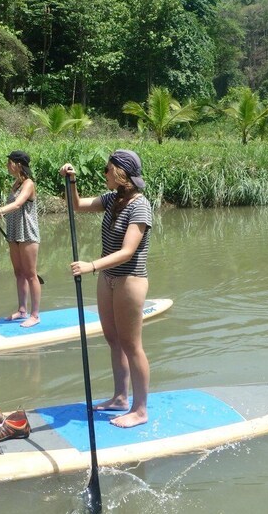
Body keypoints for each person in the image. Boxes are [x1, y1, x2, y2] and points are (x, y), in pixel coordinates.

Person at [59, 150, 152, 428]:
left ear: (121, 173)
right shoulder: (113, 199)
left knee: (132, 345)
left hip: (130, 279)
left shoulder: (140, 206)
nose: (105, 174)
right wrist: (71, 182)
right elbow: (77, 206)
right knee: (113, 340)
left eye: (107, 169)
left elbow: (127, 251)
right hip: (108, 278)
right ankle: (120, 398)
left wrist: (91, 265)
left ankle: (140, 409)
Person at [0, 150, 41, 328]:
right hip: (14, 231)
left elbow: (17, 204)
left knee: (31, 275)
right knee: (19, 273)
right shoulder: (16, 184)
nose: (7, 165)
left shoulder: (29, 184)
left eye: (9, 162)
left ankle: (35, 315)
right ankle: (22, 310)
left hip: (27, 232)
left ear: (18, 164)